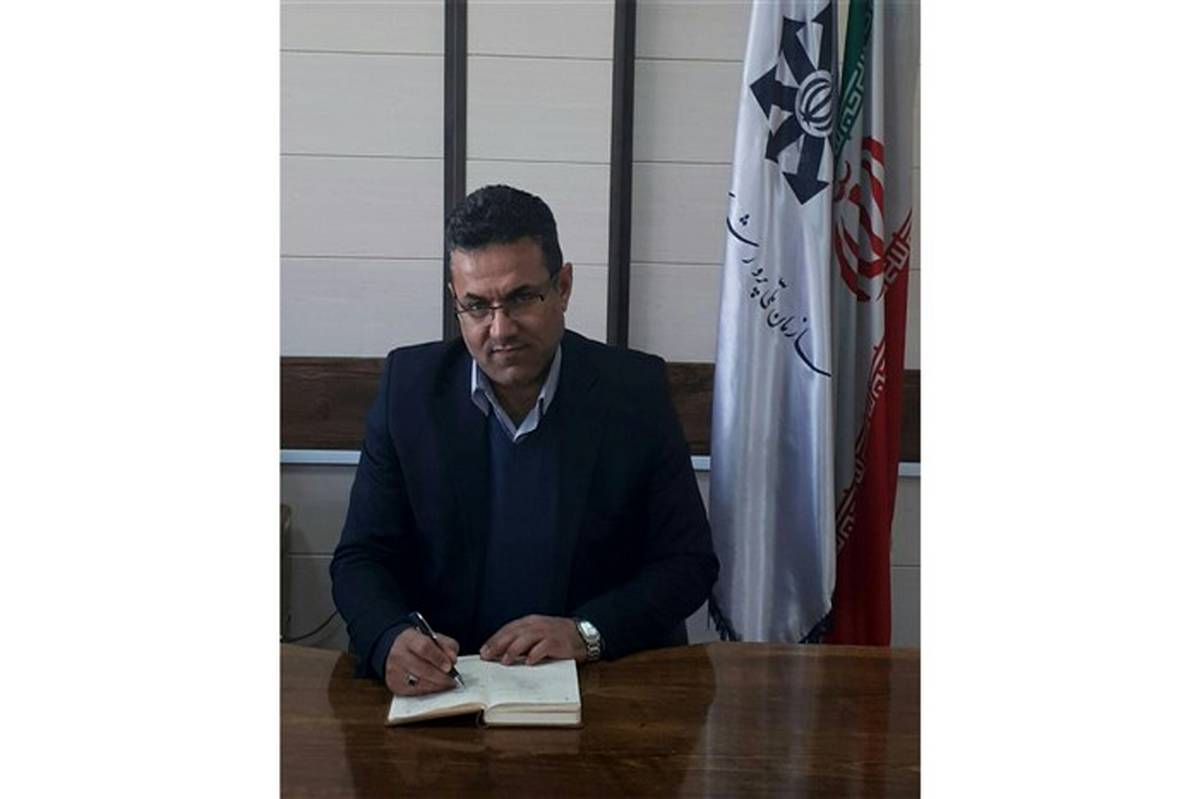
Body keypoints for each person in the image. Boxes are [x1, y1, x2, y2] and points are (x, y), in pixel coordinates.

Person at [330, 184, 718, 697]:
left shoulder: (634, 391)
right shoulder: (409, 390)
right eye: (476, 306)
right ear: (455, 300)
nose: (500, 329)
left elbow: (688, 562)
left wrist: (586, 633)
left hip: (597, 685)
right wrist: (388, 638)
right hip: (451, 688)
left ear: (564, 286)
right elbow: (361, 558)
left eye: (520, 298)